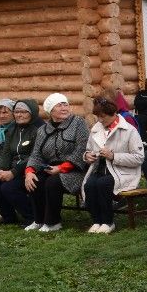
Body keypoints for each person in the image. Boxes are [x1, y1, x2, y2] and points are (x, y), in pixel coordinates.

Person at [20, 93, 87, 232]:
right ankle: (39, 220)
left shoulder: (78, 123)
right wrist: (29, 172)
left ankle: (53, 222)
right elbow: (36, 154)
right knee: (35, 181)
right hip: (51, 168)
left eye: (66, 104)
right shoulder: (43, 130)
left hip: (76, 170)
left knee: (53, 182)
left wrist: (62, 168)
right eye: (59, 105)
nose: (64, 108)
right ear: (51, 110)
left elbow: (82, 148)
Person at [81, 97, 144, 234]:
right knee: (89, 185)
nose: (100, 120)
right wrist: (87, 156)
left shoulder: (129, 130)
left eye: (102, 116)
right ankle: (97, 221)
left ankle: (108, 222)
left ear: (113, 113)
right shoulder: (96, 129)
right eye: (97, 116)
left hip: (123, 173)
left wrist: (113, 156)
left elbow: (139, 158)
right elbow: (88, 149)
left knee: (103, 184)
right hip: (99, 170)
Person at [0, 101, 42, 226]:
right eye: (17, 112)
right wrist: (1, 169)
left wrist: (13, 172)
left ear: (32, 113)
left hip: (31, 169)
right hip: (12, 168)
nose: (19, 115)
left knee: (9, 187)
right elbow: (6, 152)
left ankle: (32, 217)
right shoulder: (12, 129)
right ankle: (9, 216)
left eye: (23, 112)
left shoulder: (38, 130)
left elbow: (35, 156)